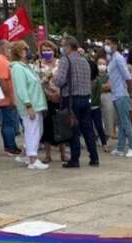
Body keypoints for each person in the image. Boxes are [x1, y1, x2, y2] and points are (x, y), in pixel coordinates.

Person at [54, 35, 99, 168]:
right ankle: (94, 157)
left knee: (73, 129)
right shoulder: (84, 60)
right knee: (87, 129)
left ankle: (75, 159)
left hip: (71, 99)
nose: (61, 48)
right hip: (85, 98)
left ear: (68, 47)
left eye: (63, 45)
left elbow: (60, 81)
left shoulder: (65, 60)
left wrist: (53, 77)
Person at [10, 40, 49, 170]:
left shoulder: (25, 67)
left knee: (36, 130)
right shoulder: (17, 68)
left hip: (36, 104)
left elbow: (33, 83)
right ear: (19, 52)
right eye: (25, 49)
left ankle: (29, 156)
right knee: (33, 131)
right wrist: (28, 106)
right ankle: (33, 159)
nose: (27, 51)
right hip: (30, 105)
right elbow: (21, 89)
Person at [105, 38, 132, 157]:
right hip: (115, 94)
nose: (106, 46)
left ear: (115, 45)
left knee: (125, 122)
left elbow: (127, 77)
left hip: (121, 94)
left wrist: (129, 92)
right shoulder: (112, 58)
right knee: (120, 123)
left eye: (108, 44)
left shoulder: (119, 58)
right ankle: (120, 147)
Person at [35, 40, 67, 163]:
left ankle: (63, 153)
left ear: (54, 50)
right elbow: (37, 83)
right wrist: (48, 95)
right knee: (47, 126)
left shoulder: (60, 63)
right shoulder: (38, 64)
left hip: (61, 97)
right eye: (44, 50)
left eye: (49, 50)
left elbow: (66, 80)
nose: (46, 52)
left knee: (62, 125)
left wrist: (60, 93)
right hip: (46, 99)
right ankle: (48, 155)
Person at [0, 40, 20, 156]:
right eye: (8, 48)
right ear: (2, 48)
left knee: (9, 123)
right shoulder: (1, 61)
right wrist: (10, 97)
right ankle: (10, 146)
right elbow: (2, 80)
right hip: (7, 99)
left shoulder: (2, 60)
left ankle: (10, 145)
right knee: (9, 124)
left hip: (6, 98)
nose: (10, 50)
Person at [91, 55, 111, 154]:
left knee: (99, 124)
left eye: (103, 64)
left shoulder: (101, 79)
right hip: (91, 104)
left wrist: (102, 87)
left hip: (96, 105)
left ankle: (104, 142)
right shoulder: (93, 78)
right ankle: (95, 142)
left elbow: (108, 86)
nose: (101, 66)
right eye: (99, 64)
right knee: (92, 125)